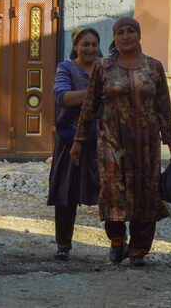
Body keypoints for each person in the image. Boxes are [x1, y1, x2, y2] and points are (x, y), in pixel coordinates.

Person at [71, 15, 171, 266]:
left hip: (146, 144)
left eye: (130, 31)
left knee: (146, 194)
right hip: (111, 141)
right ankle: (118, 240)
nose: (125, 36)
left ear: (139, 35)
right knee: (112, 192)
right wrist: (78, 140)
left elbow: (164, 108)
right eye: (120, 32)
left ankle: (139, 250)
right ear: (114, 37)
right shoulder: (103, 67)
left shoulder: (153, 67)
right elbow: (89, 106)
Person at [46, 27, 103, 260]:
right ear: (75, 47)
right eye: (85, 44)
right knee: (66, 193)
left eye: (93, 44)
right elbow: (62, 96)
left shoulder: (107, 68)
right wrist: (95, 92)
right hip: (71, 140)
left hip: (103, 139)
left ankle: (118, 243)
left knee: (110, 193)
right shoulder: (66, 68)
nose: (90, 49)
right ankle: (63, 244)